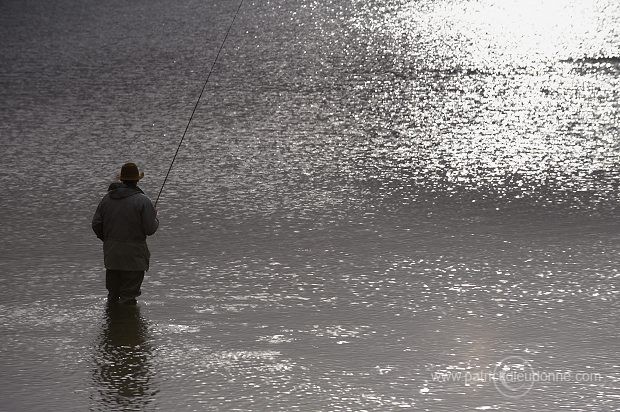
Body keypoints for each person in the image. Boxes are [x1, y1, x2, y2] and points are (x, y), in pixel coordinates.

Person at [92, 162, 159, 305]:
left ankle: (112, 324)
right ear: (137, 180)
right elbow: (150, 229)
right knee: (129, 298)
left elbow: (96, 224)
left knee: (112, 296)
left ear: (121, 179)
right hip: (134, 257)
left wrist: (108, 240)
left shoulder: (107, 199)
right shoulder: (143, 201)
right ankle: (126, 324)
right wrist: (155, 218)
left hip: (112, 255)